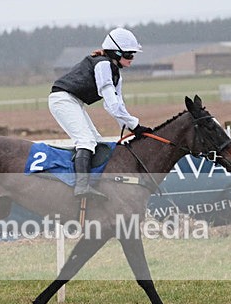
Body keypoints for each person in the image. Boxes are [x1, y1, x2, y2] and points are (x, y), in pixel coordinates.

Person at [49, 27, 153, 199]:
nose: (132, 59)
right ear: (116, 52)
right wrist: (135, 126)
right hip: (62, 99)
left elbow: (118, 104)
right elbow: (111, 105)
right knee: (86, 140)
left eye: (133, 55)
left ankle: (93, 183)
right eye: (128, 55)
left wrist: (132, 127)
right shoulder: (103, 65)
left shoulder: (115, 73)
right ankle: (81, 187)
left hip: (74, 101)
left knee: (97, 142)